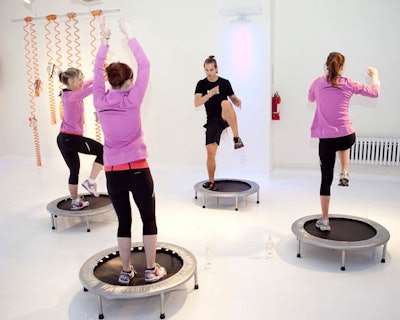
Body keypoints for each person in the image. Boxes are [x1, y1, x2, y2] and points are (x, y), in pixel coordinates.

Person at [94, 17, 166, 285]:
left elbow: (96, 72)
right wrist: (130, 34)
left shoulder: (100, 101)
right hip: (138, 169)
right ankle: (150, 269)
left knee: (124, 222)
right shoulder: (134, 99)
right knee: (149, 218)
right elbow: (145, 64)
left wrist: (104, 43)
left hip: (113, 173)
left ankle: (125, 271)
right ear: (129, 81)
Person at [308, 52, 380, 231]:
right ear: (342, 67)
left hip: (327, 140)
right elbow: (374, 92)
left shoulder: (318, 82)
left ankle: (324, 221)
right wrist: (375, 76)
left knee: (326, 180)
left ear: (326, 66)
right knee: (343, 142)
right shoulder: (349, 83)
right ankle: (345, 171)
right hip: (348, 137)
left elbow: (310, 98)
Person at [194, 56, 244, 191]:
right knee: (210, 153)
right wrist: (210, 94)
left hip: (224, 116)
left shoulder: (225, 83)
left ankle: (236, 138)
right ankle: (211, 182)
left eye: (211, 69)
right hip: (212, 121)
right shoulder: (202, 84)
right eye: (207, 70)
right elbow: (197, 103)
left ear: (217, 69)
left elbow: (232, 98)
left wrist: (237, 100)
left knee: (225, 102)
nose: (209, 72)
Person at [57, 68, 104, 210]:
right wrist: (100, 83)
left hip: (63, 139)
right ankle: (91, 181)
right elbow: (88, 90)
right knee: (104, 151)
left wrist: (102, 76)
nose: (82, 83)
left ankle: (75, 201)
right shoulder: (71, 96)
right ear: (71, 81)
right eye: (79, 80)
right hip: (71, 138)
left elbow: (89, 83)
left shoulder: (72, 92)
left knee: (74, 170)